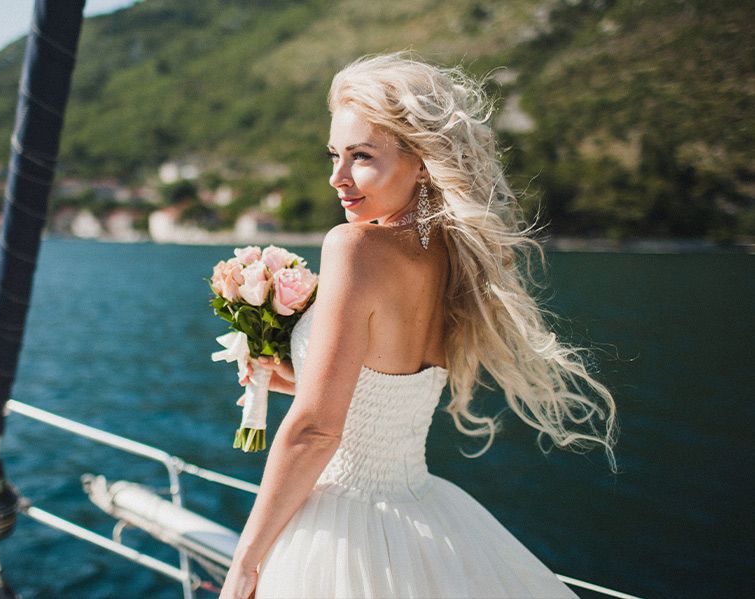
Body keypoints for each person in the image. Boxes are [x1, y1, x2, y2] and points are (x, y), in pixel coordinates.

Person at [219, 52, 618, 599]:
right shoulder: (456, 257)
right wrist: (292, 376)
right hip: (426, 511)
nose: (337, 178)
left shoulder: (355, 247)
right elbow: (383, 388)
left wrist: (246, 560)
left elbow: (317, 432)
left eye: (361, 156)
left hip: (344, 526)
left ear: (423, 160)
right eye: (334, 155)